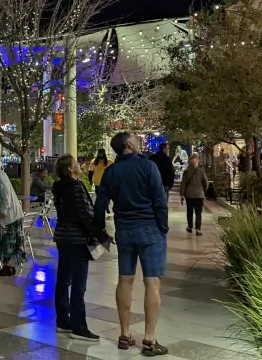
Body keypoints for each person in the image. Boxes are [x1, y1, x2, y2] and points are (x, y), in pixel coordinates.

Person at [95, 132, 169, 356]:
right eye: (136, 140)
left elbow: (100, 204)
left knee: (124, 281)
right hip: (149, 230)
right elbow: (160, 201)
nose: (139, 143)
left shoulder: (110, 172)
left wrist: (100, 232)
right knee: (152, 283)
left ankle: (125, 334)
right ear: (129, 144)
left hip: (124, 231)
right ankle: (149, 338)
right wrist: (162, 228)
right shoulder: (148, 167)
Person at [52, 154, 101, 341]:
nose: (79, 165)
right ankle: (79, 327)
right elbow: (84, 214)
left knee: (64, 279)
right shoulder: (76, 187)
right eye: (76, 164)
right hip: (77, 239)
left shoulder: (58, 187)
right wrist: (98, 233)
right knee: (79, 284)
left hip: (63, 236)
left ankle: (63, 320)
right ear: (70, 169)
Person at [179, 154, 208, 235]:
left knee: (189, 211)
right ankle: (198, 229)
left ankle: (190, 227)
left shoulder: (186, 172)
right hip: (199, 195)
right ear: (196, 163)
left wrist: (181, 194)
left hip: (189, 195)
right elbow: (206, 183)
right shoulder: (201, 171)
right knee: (198, 212)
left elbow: (183, 184)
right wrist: (203, 191)